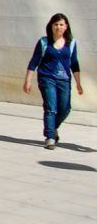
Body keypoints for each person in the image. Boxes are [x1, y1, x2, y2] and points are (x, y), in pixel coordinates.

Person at [24, 13, 83, 149]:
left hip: (64, 80)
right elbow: (34, 62)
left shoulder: (72, 43)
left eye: (61, 24)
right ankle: (50, 137)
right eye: (56, 24)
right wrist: (27, 80)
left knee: (65, 108)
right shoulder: (44, 42)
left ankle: (53, 126)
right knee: (50, 107)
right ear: (51, 26)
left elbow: (74, 63)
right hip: (47, 78)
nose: (58, 27)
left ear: (66, 27)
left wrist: (78, 83)